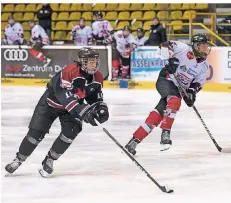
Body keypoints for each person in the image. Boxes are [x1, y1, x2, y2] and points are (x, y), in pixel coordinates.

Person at [5, 47, 109, 178]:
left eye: (95, 61)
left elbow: (94, 96)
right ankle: (18, 159)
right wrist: (83, 111)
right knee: (35, 133)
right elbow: (65, 96)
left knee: (70, 132)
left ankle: (50, 159)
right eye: (90, 61)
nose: (94, 64)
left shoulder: (97, 77)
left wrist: (100, 108)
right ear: (82, 62)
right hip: (50, 104)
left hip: (72, 108)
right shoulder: (69, 71)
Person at [125, 34, 211, 155]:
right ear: (196, 46)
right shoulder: (182, 48)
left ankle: (134, 141)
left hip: (177, 89)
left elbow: (198, 82)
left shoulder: (204, 65)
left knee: (158, 114)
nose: (206, 48)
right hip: (166, 79)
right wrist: (171, 59)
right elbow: (164, 46)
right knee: (175, 101)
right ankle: (166, 131)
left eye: (207, 46)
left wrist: (191, 92)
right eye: (203, 46)